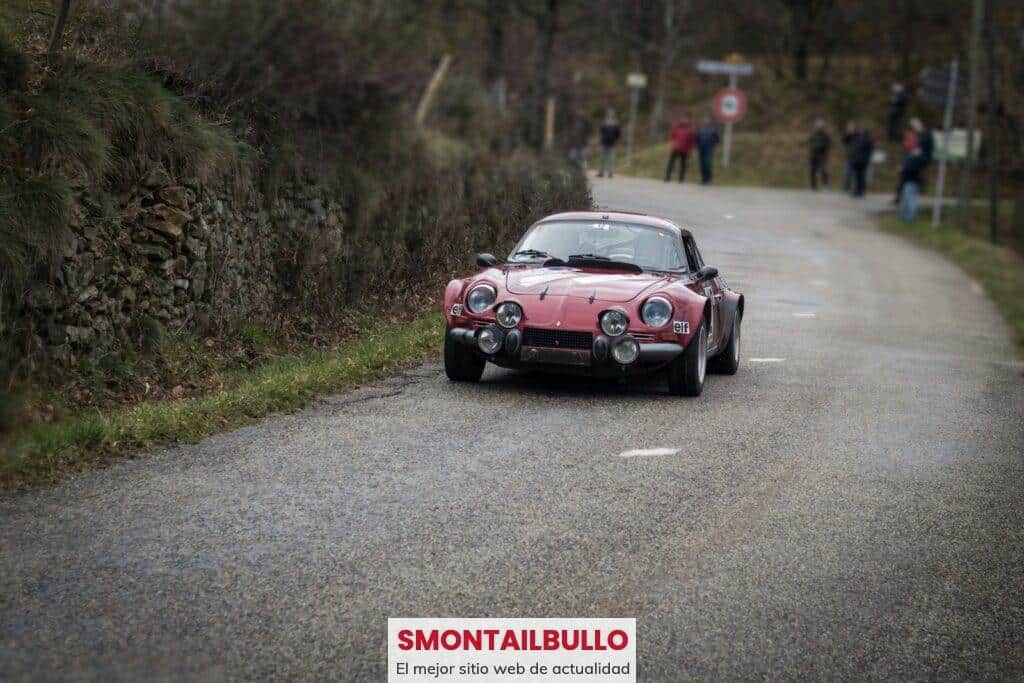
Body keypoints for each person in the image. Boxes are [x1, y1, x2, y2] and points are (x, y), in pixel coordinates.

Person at [898, 118, 935, 221]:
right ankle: (906, 216)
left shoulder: (926, 137)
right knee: (907, 194)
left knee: (910, 195)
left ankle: (910, 217)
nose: (914, 128)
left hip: (916, 171)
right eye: (913, 126)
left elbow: (923, 155)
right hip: (910, 170)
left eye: (915, 126)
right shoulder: (917, 138)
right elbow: (909, 153)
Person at [665, 113, 695, 183]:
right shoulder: (676, 127)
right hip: (676, 148)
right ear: (681, 119)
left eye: (687, 119)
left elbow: (692, 141)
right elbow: (671, 135)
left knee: (683, 164)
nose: (685, 120)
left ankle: (681, 179)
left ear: (689, 120)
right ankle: (667, 177)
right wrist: (673, 143)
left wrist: (690, 150)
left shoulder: (690, 129)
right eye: (684, 118)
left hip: (685, 149)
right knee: (671, 163)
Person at [848, 124, 874, 197]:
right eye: (860, 128)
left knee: (862, 176)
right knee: (856, 176)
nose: (861, 130)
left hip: (863, 160)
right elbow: (852, 145)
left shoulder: (868, 138)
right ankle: (856, 190)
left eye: (863, 129)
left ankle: (861, 191)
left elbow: (870, 149)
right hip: (856, 160)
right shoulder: (856, 137)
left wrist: (867, 158)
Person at [807, 118, 832, 190]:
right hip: (814, 156)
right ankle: (813, 186)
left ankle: (825, 185)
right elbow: (810, 143)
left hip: (822, 156)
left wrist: (819, 146)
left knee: (824, 171)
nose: (819, 127)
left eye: (821, 126)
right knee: (813, 171)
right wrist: (813, 146)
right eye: (818, 126)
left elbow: (827, 145)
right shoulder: (813, 135)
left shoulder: (825, 136)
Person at [695, 115, 720, 184]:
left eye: (708, 119)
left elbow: (717, 139)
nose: (706, 121)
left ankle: (709, 179)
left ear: (711, 121)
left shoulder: (714, 129)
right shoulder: (701, 128)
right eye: (705, 119)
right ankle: (703, 179)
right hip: (701, 148)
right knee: (702, 164)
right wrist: (696, 146)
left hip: (709, 148)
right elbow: (697, 138)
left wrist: (713, 145)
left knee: (707, 163)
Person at [597, 108, 621, 178]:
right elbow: (601, 131)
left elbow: (618, 133)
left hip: (612, 144)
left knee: (611, 159)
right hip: (604, 143)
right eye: (609, 115)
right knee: (602, 158)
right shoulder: (604, 123)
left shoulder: (616, 124)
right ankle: (601, 172)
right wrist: (602, 138)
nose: (610, 116)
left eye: (611, 115)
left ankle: (610, 173)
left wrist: (615, 139)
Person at [841, 121, 857, 191]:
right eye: (849, 127)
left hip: (858, 158)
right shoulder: (847, 136)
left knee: (856, 174)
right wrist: (848, 134)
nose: (850, 129)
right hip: (850, 158)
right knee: (847, 173)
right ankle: (846, 187)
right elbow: (843, 141)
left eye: (852, 127)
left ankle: (856, 188)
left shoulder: (857, 135)